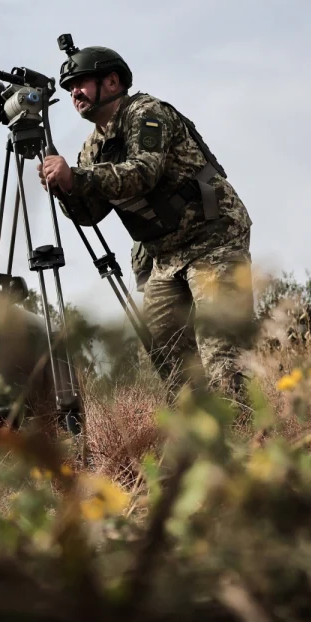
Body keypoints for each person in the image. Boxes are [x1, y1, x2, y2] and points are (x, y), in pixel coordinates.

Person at [37, 41, 254, 400]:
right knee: (168, 358)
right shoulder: (92, 147)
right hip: (164, 256)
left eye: (81, 82)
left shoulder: (146, 113)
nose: (74, 92)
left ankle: (246, 440)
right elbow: (90, 215)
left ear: (111, 81)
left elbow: (143, 173)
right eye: (70, 87)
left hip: (213, 239)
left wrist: (77, 178)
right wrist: (63, 189)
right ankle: (197, 439)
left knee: (221, 353)